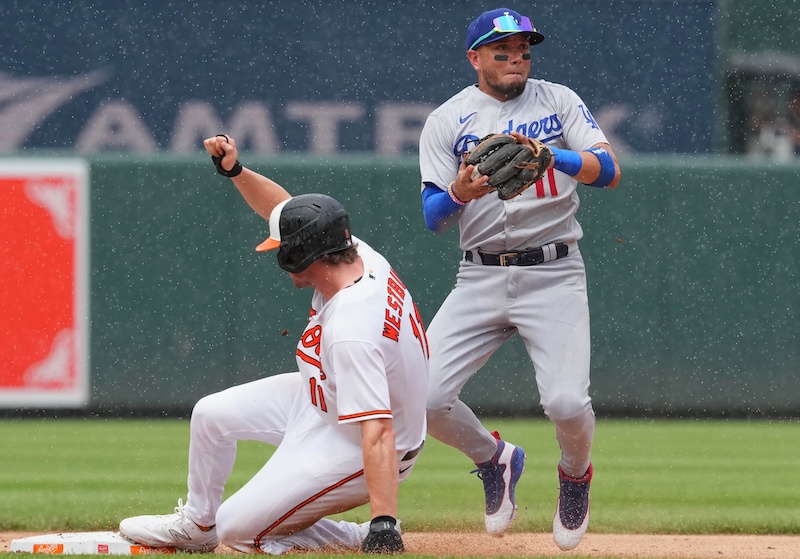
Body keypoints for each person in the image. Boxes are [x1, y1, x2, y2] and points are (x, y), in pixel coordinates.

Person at [118, 134, 429, 554]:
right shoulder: (354, 253)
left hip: (356, 443)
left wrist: (383, 523)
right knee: (210, 415)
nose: (277, 255)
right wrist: (235, 171)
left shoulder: (353, 327)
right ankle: (197, 523)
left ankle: (350, 535)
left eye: (281, 250)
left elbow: (378, 432)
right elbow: (281, 210)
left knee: (238, 531)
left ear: (302, 257)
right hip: (323, 398)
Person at [417, 8, 621, 551]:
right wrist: (460, 192)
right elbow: (434, 216)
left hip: (553, 272)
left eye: (524, 49)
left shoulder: (558, 101)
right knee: (422, 397)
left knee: (566, 404)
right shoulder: (447, 120)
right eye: (502, 50)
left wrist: (555, 155)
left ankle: (575, 474)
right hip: (479, 273)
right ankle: (495, 460)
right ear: (475, 58)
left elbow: (609, 170)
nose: (516, 58)